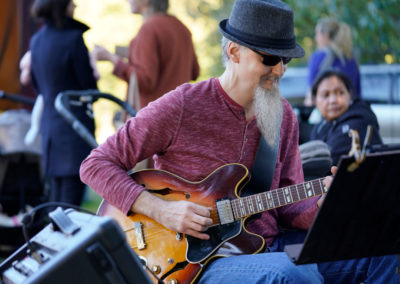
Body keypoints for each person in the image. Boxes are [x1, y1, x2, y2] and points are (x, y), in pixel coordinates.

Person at [80, 0, 399, 283]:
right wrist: (162, 210)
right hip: (202, 263)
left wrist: (323, 204)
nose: (279, 70)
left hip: (270, 246)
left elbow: (289, 205)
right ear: (233, 51)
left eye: (286, 60)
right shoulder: (182, 105)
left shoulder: (283, 114)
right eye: (270, 58)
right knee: (287, 273)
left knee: (388, 251)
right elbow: (95, 165)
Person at [30, 0, 98, 206]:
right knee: (70, 210)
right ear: (61, 7)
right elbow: (89, 89)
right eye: (71, 3)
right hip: (74, 132)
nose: (75, 6)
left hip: (50, 133)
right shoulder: (73, 39)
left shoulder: (36, 41)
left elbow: (38, 87)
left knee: (56, 207)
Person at [91, 0, 200, 110]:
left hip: (154, 116)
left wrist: (112, 59)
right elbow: (194, 72)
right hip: (180, 112)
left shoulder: (149, 28)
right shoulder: (181, 27)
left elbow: (145, 81)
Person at [310, 69, 382, 166]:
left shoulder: (359, 121)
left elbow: (327, 162)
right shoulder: (320, 126)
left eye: (340, 93)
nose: (333, 100)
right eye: (325, 95)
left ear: (349, 94)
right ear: (315, 101)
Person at [304, 18, 361, 106]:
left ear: (325, 35)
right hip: (350, 111)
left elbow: (310, 97)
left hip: (327, 111)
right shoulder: (351, 58)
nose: (316, 38)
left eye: (317, 33)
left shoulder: (318, 57)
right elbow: (357, 92)